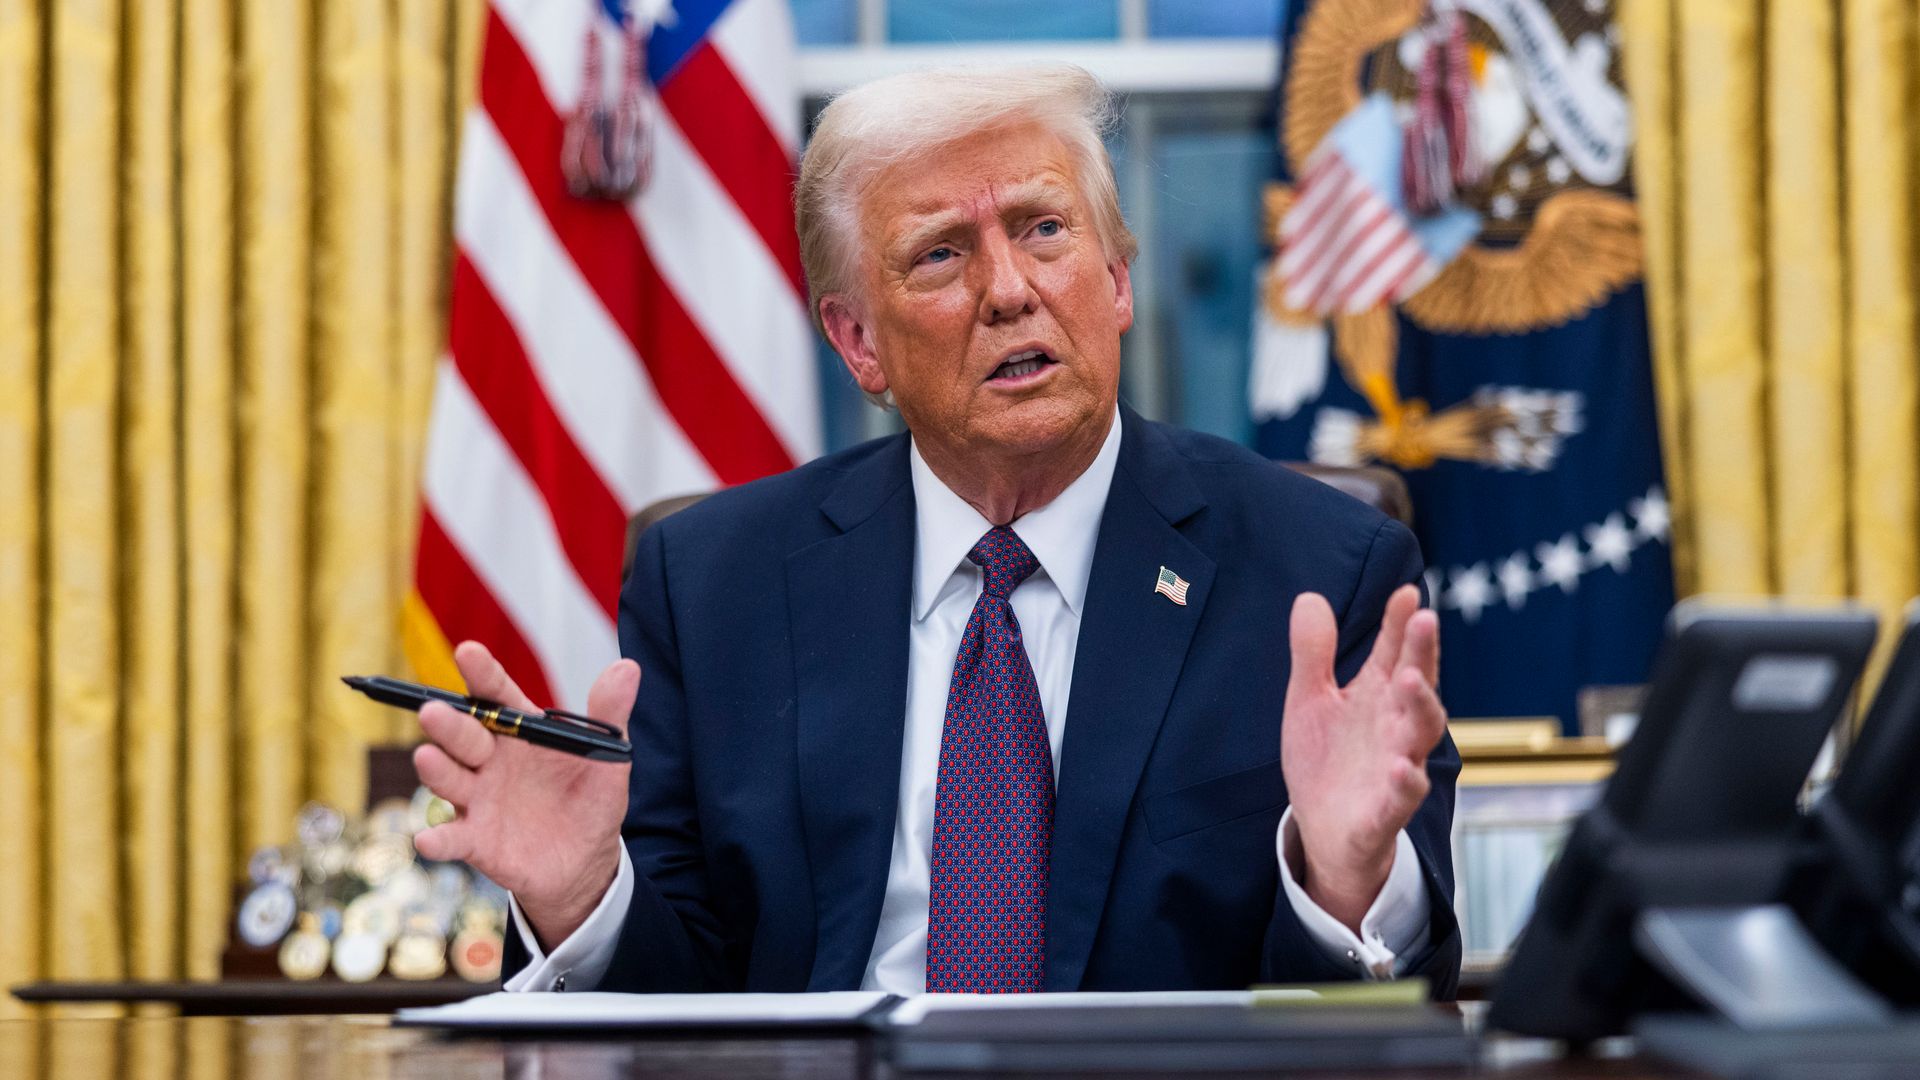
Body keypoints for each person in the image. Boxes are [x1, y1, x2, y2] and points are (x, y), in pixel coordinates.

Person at [410, 63, 1460, 996]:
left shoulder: (1321, 572)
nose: (1010, 290)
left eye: (1044, 230)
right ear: (858, 341)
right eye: (941, 255)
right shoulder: (713, 586)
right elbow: (684, 1013)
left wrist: (1344, 880)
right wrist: (580, 900)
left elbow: (1367, 1021)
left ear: (1118, 280)